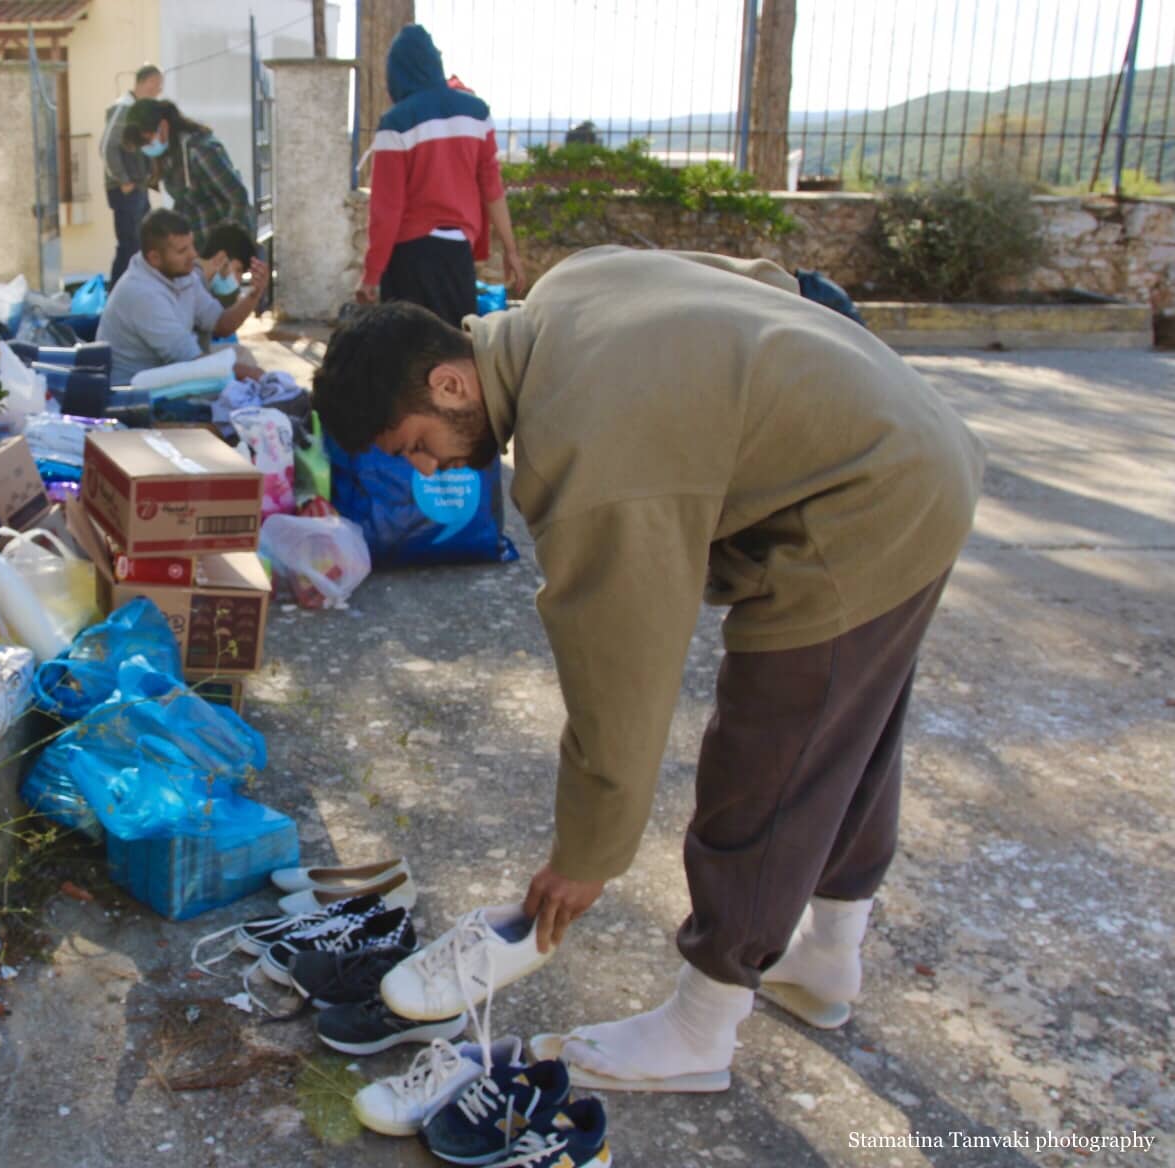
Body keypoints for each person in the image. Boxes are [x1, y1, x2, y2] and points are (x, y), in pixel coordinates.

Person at [313, 246, 985, 1094]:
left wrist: (585, 855)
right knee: (847, 727)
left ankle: (700, 1029)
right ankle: (825, 961)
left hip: (864, 497)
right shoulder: (571, 285)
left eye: (412, 446)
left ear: (449, 384)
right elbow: (768, 283)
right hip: (909, 440)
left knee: (769, 757)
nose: (422, 470)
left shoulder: (582, 443)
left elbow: (621, 672)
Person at [357, 25, 526, 325]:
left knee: (409, 353)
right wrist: (511, 251)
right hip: (457, 252)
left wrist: (371, 275)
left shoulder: (396, 122)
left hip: (409, 255)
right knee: (454, 345)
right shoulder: (476, 113)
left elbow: (387, 209)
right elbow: (492, 189)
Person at [98, 208, 267, 386]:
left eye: (192, 245)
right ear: (154, 258)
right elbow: (191, 360)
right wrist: (254, 374)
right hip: (137, 390)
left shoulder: (181, 275)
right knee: (242, 382)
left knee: (241, 357)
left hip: (171, 368)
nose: (193, 255)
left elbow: (221, 324)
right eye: (182, 250)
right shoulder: (141, 293)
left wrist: (253, 295)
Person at [122, 99, 253, 254]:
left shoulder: (200, 150)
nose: (146, 148)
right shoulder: (168, 155)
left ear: (163, 126)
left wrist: (224, 247)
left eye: (147, 140)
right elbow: (185, 202)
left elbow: (238, 198)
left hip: (220, 248)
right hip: (196, 248)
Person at [102, 64, 163, 286]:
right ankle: (117, 294)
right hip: (125, 189)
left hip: (138, 186)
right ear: (146, 82)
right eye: (157, 86)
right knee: (129, 245)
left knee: (141, 244)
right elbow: (107, 147)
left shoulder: (137, 109)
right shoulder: (124, 108)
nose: (158, 92)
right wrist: (123, 179)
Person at [196, 220, 256, 308]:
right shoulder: (189, 286)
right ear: (221, 258)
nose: (240, 280)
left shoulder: (204, 289)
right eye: (239, 270)